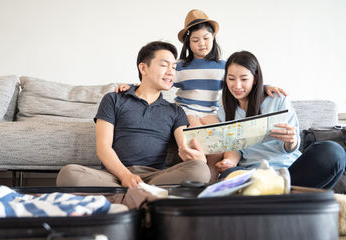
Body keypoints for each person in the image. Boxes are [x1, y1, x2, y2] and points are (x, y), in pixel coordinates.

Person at [114, 9, 286, 181]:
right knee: (200, 135)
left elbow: (239, 81)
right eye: (195, 40)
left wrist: (265, 87)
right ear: (188, 43)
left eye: (206, 38)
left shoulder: (222, 66)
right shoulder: (179, 65)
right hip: (187, 110)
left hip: (211, 111)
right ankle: (200, 175)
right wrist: (131, 85)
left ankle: (211, 181)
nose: (201, 44)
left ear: (213, 39)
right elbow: (159, 80)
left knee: (220, 138)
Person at [56, 41, 211, 188]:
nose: (171, 71)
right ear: (143, 68)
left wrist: (196, 157)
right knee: (68, 174)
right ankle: (144, 194)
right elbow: (103, 147)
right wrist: (125, 176)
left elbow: (185, 145)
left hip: (155, 177)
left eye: (174, 67)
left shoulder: (176, 111)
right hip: (113, 175)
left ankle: (126, 194)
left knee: (200, 170)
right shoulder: (114, 99)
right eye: (164, 65)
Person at [213, 50, 345, 189]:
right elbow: (235, 149)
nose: (237, 85)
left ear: (255, 79)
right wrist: (229, 162)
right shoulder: (224, 113)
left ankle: (279, 192)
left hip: (290, 172)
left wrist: (292, 140)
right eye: (231, 78)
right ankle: (288, 195)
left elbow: (289, 147)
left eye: (244, 79)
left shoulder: (277, 99)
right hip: (254, 174)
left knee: (333, 151)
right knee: (228, 174)